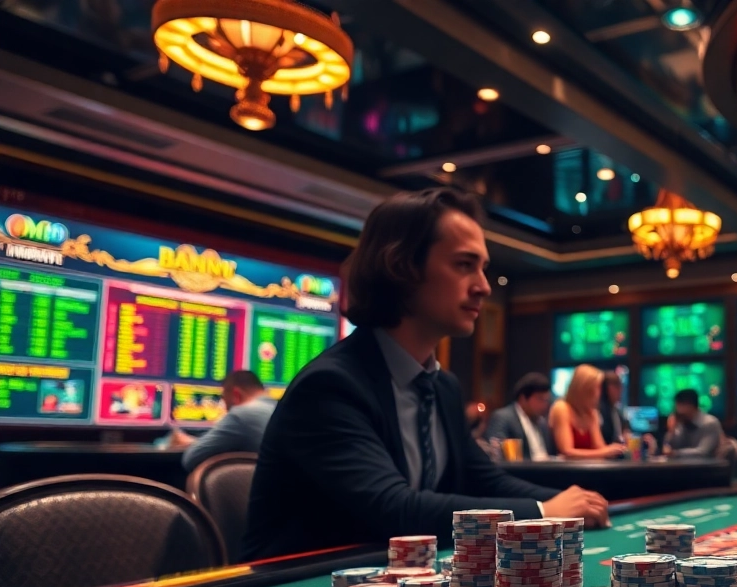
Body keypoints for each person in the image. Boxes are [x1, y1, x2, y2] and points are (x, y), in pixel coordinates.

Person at [244, 187, 609, 561]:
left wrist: (567, 500)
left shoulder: (442, 385)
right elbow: (395, 508)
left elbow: (482, 478)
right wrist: (543, 514)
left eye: (482, 268)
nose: (484, 286)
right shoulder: (330, 387)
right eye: (465, 265)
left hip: (387, 578)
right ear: (401, 267)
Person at [171, 370, 276, 472]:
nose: (226, 409)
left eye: (225, 400)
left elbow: (190, 459)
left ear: (236, 395)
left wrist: (191, 444)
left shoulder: (241, 414)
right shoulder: (279, 409)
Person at [550, 364, 626, 459]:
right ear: (584, 389)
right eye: (597, 387)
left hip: (586, 470)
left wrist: (615, 449)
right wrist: (607, 451)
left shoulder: (591, 412)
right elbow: (567, 452)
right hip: (563, 471)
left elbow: (600, 448)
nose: (599, 393)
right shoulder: (561, 408)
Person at [485, 373, 554, 459]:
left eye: (546, 400)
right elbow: (498, 454)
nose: (544, 405)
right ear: (523, 398)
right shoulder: (503, 417)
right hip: (521, 471)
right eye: (540, 399)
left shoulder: (542, 422)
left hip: (548, 469)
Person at [663, 389, 724, 457]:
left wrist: (676, 453)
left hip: (706, 466)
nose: (677, 410)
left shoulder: (710, 423)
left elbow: (703, 452)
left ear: (691, 406)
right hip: (683, 466)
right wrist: (671, 431)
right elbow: (669, 447)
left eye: (679, 405)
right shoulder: (681, 422)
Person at [597, 370, 630, 446]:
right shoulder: (598, 410)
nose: (621, 391)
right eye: (618, 387)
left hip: (616, 454)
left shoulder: (617, 411)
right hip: (603, 455)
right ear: (608, 388)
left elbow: (625, 432)